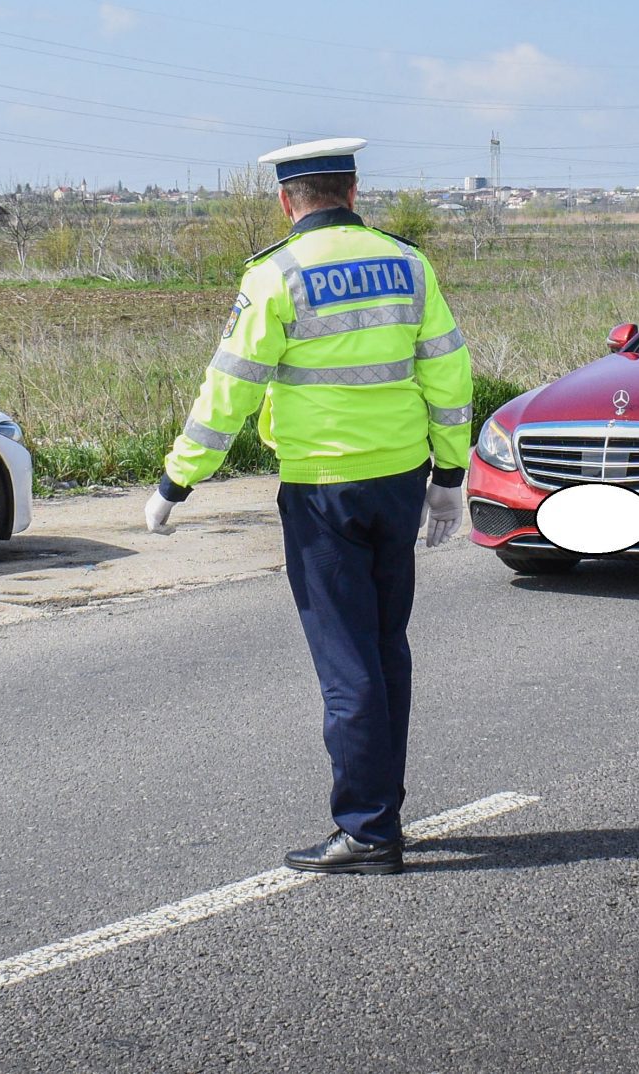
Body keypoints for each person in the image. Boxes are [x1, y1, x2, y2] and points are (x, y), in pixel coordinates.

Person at [144, 139, 473, 875]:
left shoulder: (275, 275)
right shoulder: (409, 264)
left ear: (287, 201)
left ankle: (367, 831)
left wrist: (177, 480)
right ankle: (382, 812)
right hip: (399, 480)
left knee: (346, 659)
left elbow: (229, 388)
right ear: (354, 192)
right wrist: (450, 475)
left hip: (323, 489)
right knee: (387, 651)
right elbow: (449, 373)